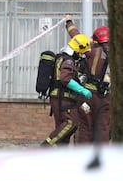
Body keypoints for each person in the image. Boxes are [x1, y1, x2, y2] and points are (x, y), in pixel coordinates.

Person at [41, 34, 93, 147]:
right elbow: (66, 79)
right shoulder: (68, 61)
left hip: (60, 98)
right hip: (63, 98)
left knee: (63, 131)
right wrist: (82, 90)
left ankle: (59, 155)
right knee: (71, 123)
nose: (81, 56)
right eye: (82, 52)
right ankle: (46, 146)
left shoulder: (62, 58)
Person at [65, 15, 110, 143]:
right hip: (106, 99)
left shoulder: (90, 49)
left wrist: (68, 22)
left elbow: (76, 36)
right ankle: (103, 157)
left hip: (88, 98)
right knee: (103, 128)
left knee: (85, 126)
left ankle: (82, 156)